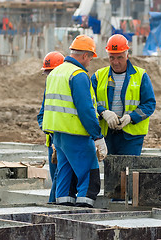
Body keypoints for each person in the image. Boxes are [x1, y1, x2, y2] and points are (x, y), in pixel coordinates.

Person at [42, 35, 107, 207]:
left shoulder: (55, 72)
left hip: (58, 136)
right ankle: (83, 217)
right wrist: (97, 136)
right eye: (91, 57)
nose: (90, 61)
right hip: (76, 134)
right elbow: (86, 110)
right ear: (85, 55)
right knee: (89, 177)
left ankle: (63, 213)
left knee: (65, 177)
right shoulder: (78, 75)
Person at [92, 34, 156, 156]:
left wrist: (131, 117)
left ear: (127, 55)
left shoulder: (140, 76)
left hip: (132, 137)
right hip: (107, 134)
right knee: (110, 171)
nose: (115, 62)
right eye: (112, 58)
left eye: (120, 57)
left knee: (128, 171)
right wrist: (103, 112)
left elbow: (149, 104)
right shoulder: (98, 76)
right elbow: (90, 102)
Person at [37, 51, 64, 203]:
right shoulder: (49, 90)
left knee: (61, 178)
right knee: (56, 179)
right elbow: (41, 115)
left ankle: (53, 204)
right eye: (47, 74)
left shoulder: (69, 87)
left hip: (64, 141)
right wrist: (46, 127)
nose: (48, 77)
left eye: (50, 73)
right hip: (51, 144)